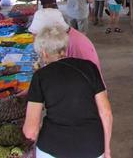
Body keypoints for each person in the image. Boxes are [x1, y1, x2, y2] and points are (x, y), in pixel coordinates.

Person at [23, 26, 112, 158]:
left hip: (52, 148)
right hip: (92, 147)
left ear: (43, 53)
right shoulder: (89, 67)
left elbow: (30, 131)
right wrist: (107, 150)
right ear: (64, 48)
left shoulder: (40, 76)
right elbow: (106, 113)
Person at [29, 8, 102, 73]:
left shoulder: (71, 43)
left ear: (52, 31)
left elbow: (88, 76)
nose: (34, 39)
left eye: (38, 35)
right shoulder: (63, 37)